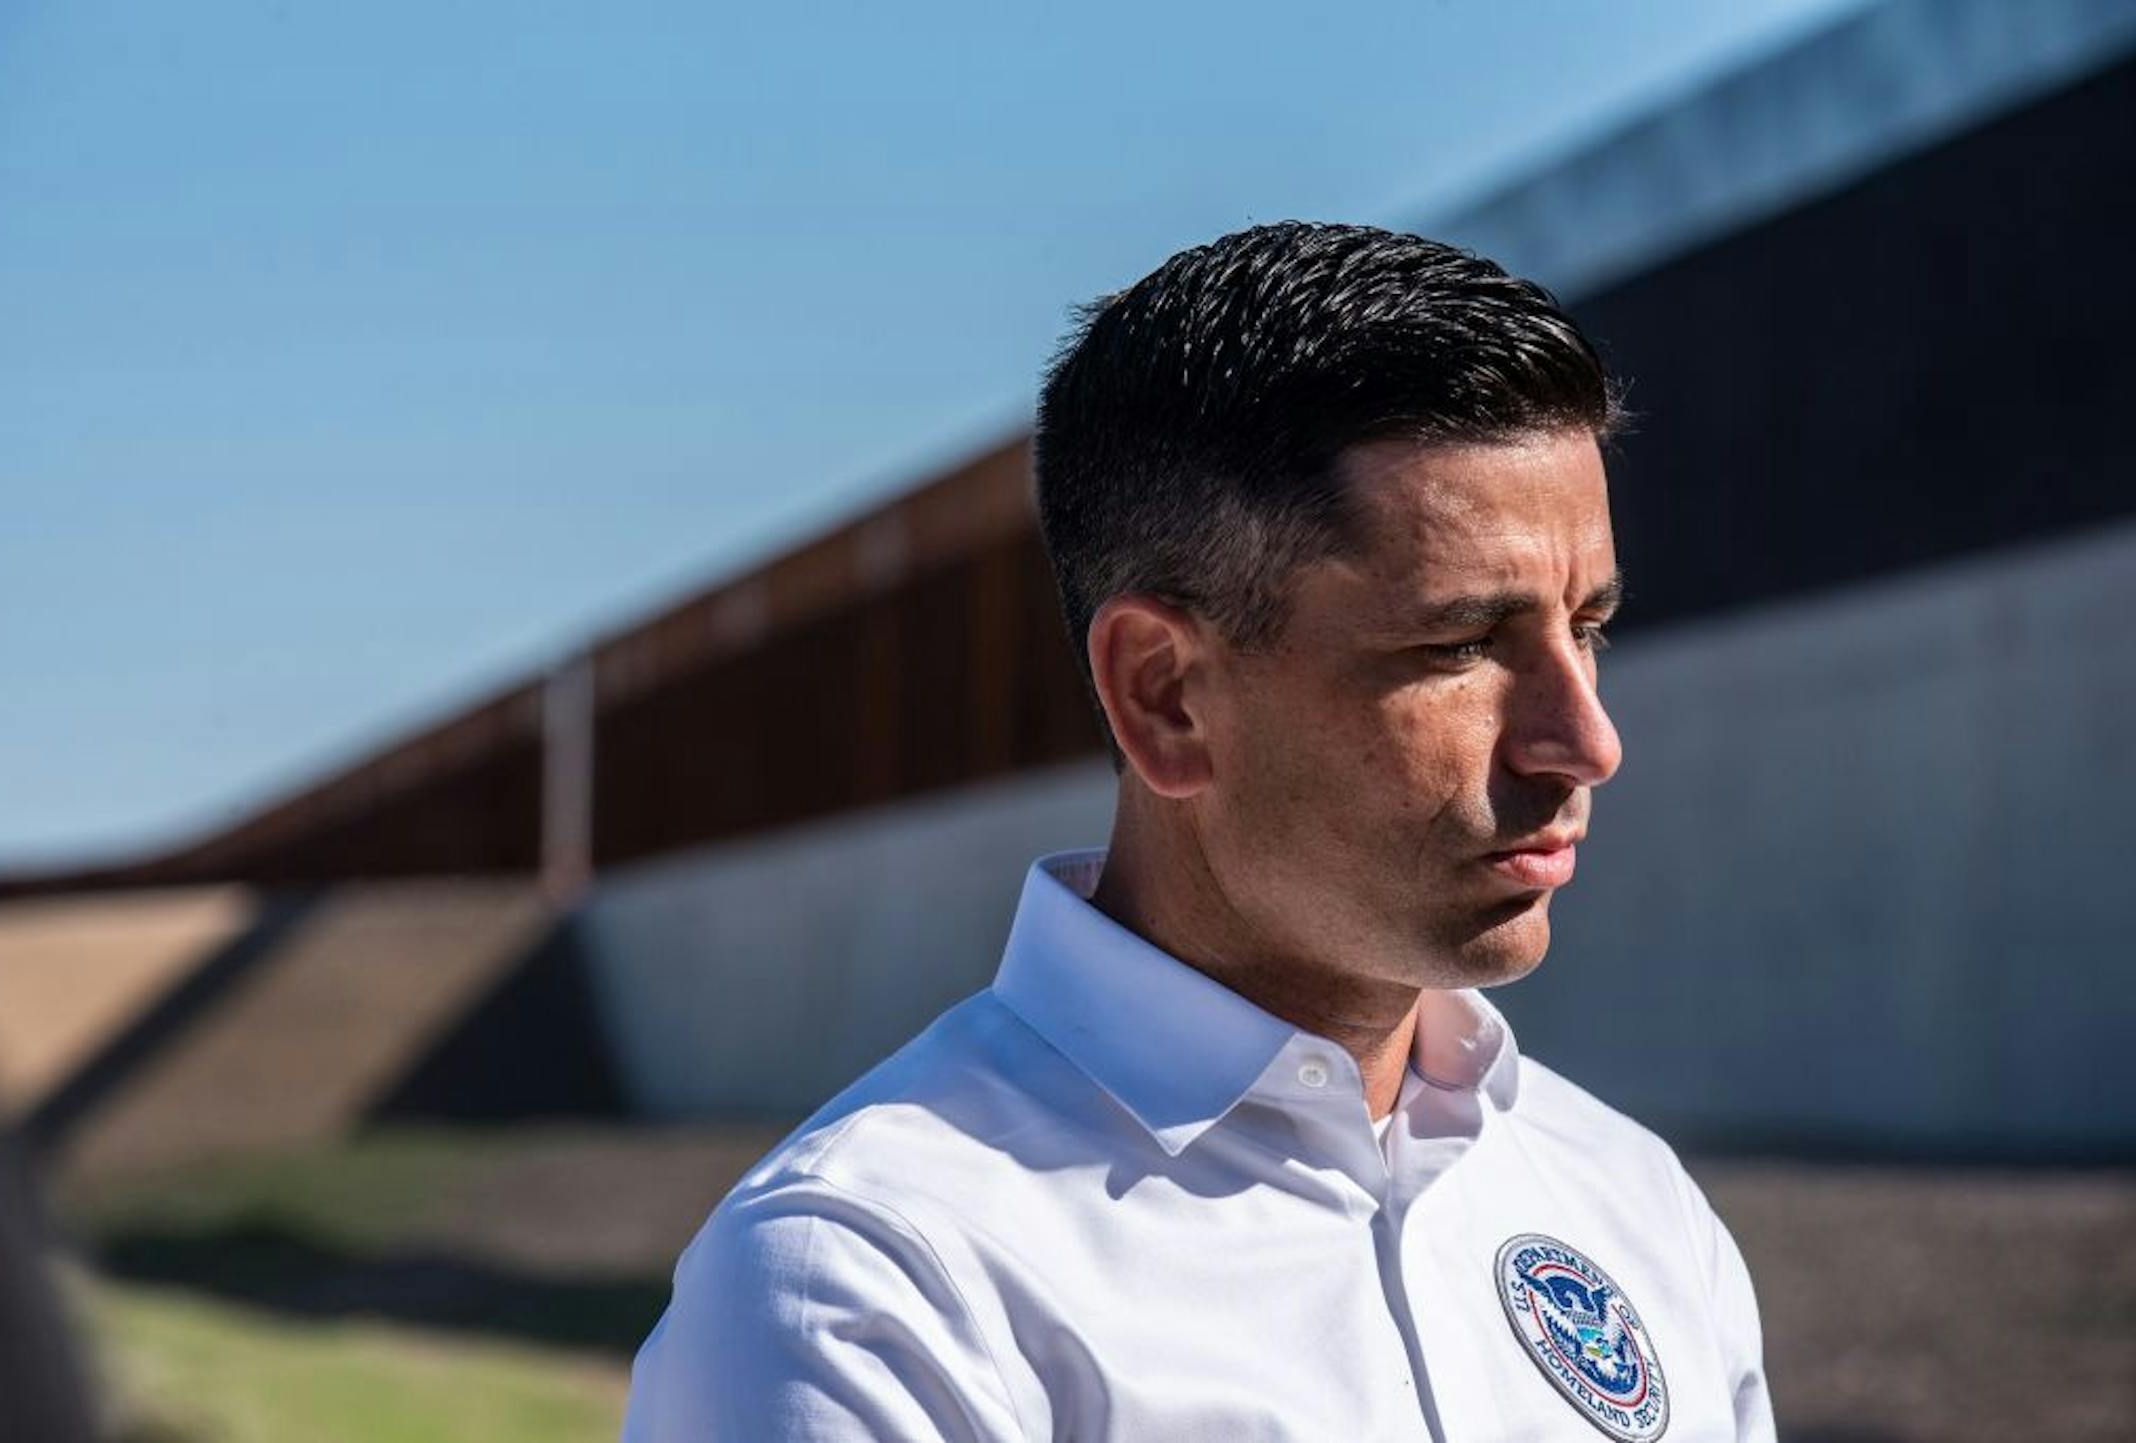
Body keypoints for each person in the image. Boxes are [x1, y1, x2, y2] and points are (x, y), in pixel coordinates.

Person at [623, 222, 1774, 1442]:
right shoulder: (872, 1284)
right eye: (1459, 645)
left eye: (1586, 626)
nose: (1585, 740)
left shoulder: (1635, 1203)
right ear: (1165, 695)